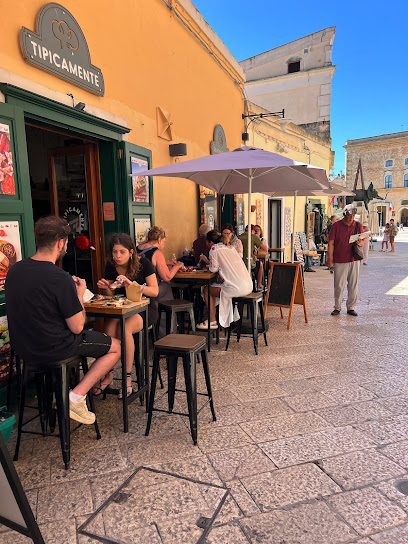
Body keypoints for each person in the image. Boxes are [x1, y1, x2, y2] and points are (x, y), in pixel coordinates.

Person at [5, 216, 121, 425]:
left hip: (23, 350)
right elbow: (77, 327)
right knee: (115, 347)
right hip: (55, 347)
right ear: (60, 243)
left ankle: (61, 400)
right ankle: (76, 397)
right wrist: (80, 294)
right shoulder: (60, 278)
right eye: (66, 242)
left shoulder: (14, 271)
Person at [97, 233, 158, 398]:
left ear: (131, 252)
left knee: (125, 327)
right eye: (115, 252)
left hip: (145, 309)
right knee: (109, 326)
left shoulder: (143, 263)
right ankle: (108, 374)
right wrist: (107, 286)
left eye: (122, 252)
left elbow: (154, 290)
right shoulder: (111, 265)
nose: (117, 256)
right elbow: (111, 295)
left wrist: (135, 286)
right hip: (122, 309)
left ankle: (127, 377)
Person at [197, 230, 253, 330]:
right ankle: (221, 317)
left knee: (206, 289)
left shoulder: (214, 249)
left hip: (237, 288)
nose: (206, 244)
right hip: (248, 285)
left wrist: (208, 265)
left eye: (207, 242)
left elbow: (213, 269)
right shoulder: (230, 247)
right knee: (217, 286)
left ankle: (212, 321)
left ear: (211, 242)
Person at [137, 226, 184, 337]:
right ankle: (168, 333)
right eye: (164, 241)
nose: (164, 244)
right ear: (159, 240)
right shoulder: (157, 252)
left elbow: (148, 263)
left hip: (137, 288)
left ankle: (156, 327)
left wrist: (166, 263)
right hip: (150, 289)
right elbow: (167, 276)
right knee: (166, 287)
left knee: (161, 293)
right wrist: (177, 266)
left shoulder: (138, 248)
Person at [327, 205, 364, 316]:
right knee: (339, 285)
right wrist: (330, 259)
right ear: (344, 214)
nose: (351, 218)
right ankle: (337, 307)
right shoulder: (336, 226)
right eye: (349, 215)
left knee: (353, 284)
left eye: (353, 215)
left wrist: (360, 243)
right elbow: (331, 243)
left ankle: (351, 307)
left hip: (354, 259)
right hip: (339, 259)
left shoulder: (358, 225)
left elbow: (362, 241)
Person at [239, 225, 267, 290]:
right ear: (252, 231)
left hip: (239, 264)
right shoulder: (253, 237)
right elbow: (265, 249)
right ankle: (259, 285)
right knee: (260, 264)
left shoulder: (239, 237)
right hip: (249, 263)